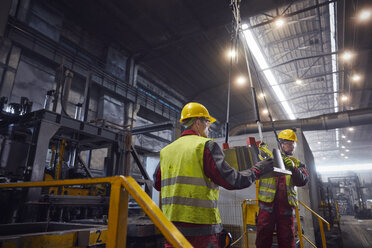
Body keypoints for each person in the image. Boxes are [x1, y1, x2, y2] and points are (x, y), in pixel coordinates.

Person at [153, 102, 274, 248]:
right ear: (198, 123)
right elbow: (233, 181)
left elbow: (158, 184)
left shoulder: (166, 151)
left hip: (171, 228)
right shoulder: (205, 146)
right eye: (207, 122)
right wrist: (258, 170)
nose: (209, 127)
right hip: (201, 229)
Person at [255, 129, 310, 248]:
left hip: (286, 207)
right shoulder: (269, 160)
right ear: (280, 144)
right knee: (263, 236)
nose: (291, 146)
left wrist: (293, 168)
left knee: (287, 237)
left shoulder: (297, 164)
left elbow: (303, 181)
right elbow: (256, 166)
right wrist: (259, 150)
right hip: (267, 206)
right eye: (288, 143)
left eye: (293, 144)